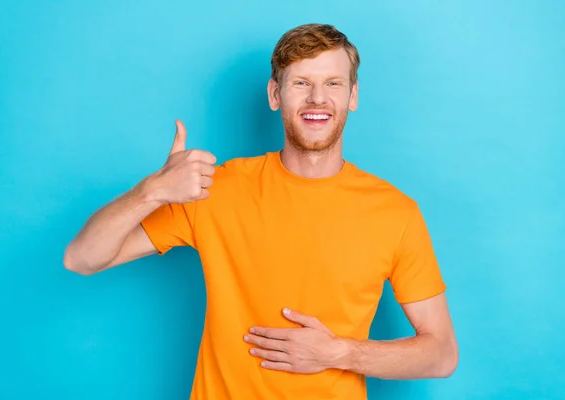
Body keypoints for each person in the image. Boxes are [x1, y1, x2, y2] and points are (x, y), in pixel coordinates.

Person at [64, 23, 458, 400]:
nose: (317, 99)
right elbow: (82, 258)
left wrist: (339, 353)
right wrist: (151, 191)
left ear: (352, 96)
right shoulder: (214, 190)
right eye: (301, 83)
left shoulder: (395, 212)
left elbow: (441, 354)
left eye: (332, 84)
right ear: (275, 95)